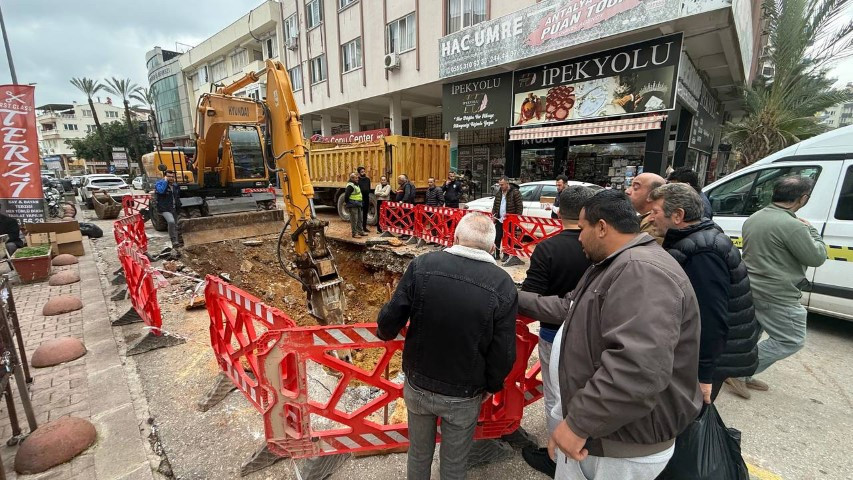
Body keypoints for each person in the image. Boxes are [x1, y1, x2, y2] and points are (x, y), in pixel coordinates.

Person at [519, 190, 701, 480]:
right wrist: (513, 296)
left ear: (602, 227)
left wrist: (579, 424)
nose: (579, 238)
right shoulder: (616, 264)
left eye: (582, 229)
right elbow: (568, 307)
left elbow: (638, 367)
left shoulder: (641, 272)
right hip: (606, 436)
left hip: (620, 446)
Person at [377, 213, 517, 480]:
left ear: (455, 238)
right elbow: (504, 351)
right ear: (492, 248)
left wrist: (384, 332)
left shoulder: (423, 265)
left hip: (419, 384)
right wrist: (492, 385)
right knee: (454, 464)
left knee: (418, 454)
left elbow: (391, 317)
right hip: (464, 393)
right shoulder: (503, 284)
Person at [648, 183, 759, 404]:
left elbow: (710, 317)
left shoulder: (703, 253)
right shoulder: (698, 239)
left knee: (690, 418)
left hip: (707, 361)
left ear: (678, 215)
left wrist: (703, 373)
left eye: (655, 212)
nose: (650, 218)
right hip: (704, 356)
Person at [726, 176, 826, 398]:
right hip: (777, 293)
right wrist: (813, 232)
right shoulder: (794, 226)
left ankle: (741, 372)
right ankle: (739, 371)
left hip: (751, 286)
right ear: (803, 198)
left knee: (753, 333)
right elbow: (817, 257)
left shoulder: (755, 217)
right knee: (791, 339)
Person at [520, 185, 596, 477]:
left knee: (556, 396)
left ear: (558, 211)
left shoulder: (548, 248)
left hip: (555, 332)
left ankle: (558, 459)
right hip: (594, 335)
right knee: (590, 391)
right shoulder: (604, 246)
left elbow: (532, 295)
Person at [625, 172, 666, 244]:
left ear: (651, 195)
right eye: (630, 186)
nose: (627, 191)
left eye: (635, 188)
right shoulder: (643, 219)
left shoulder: (653, 223)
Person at [491, 176, 523, 265]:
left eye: (502, 185)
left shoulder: (515, 192)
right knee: (497, 236)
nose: (501, 186)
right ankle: (496, 253)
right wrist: (494, 215)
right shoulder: (499, 192)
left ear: (507, 183)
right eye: (500, 184)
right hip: (500, 219)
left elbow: (519, 207)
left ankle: (506, 254)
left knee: (508, 238)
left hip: (510, 220)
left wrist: (516, 219)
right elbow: (495, 205)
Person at [155, 170, 182, 249]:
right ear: (165, 176)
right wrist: (165, 182)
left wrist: (179, 205)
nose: (171, 178)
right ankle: (173, 240)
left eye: (172, 177)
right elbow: (161, 191)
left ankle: (176, 243)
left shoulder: (175, 185)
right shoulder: (159, 184)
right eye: (169, 176)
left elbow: (177, 196)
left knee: (175, 225)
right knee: (171, 221)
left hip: (174, 208)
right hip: (164, 208)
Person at [344, 172, 367, 238]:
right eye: (356, 178)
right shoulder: (350, 186)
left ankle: (360, 231)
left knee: (360, 218)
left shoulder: (356, 184)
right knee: (354, 220)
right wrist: (348, 203)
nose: (357, 179)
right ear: (352, 178)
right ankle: (354, 233)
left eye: (357, 178)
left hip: (358, 203)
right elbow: (346, 196)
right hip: (353, 204)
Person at [357, 166, 372, 234]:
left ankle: (364, 227)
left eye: (364, 171)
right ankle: (359, 228)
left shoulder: (367, 179)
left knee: (365, 213)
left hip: (366, 198)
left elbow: (369, 188)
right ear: (359, 173)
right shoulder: (357, 180)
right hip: (360, 198)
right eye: (362, 172)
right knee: (359, 214)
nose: (363, 173)